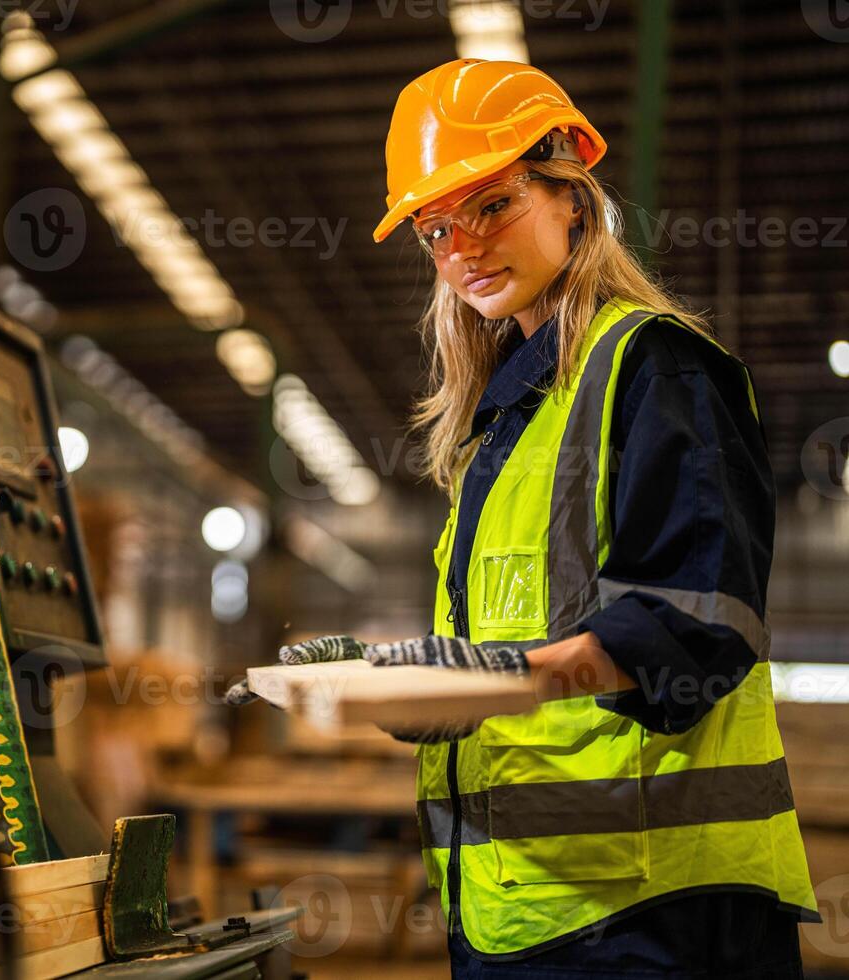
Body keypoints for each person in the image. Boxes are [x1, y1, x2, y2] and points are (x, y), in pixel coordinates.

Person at [227, 60, 818, 977]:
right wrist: (420, 677)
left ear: (572, 201)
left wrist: (490, 676)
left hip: (651, 915)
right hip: (523, 904)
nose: (461, 247)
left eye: (493, 205)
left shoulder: (656, 370)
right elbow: (522, 629)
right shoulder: (508, 420)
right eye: (434, 229)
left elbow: (702, 620)